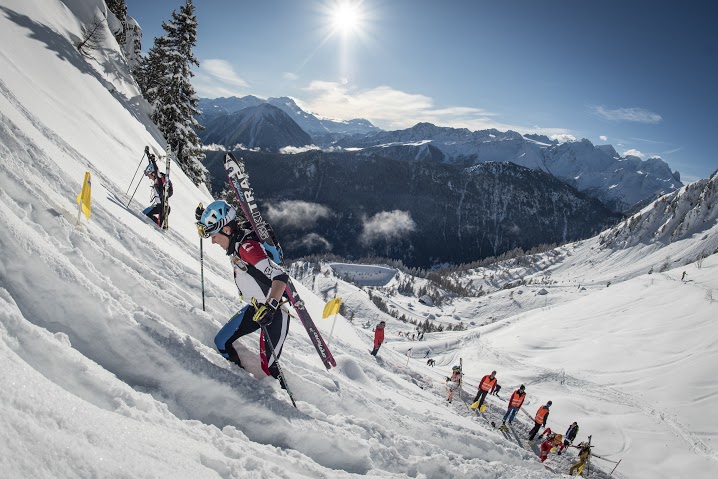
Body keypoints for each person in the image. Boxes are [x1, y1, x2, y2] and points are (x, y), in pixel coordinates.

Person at [196, 200, 290, 388]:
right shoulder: (237, 244)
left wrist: (270, 307)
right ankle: (240, 385)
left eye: (214, 236)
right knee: (221, 341)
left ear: (227, 230)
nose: (213, 241)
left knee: (270, 367)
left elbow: (280, 276)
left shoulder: (247, 248)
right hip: (255, 308)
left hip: (274, 312)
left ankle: (286, 408)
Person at [142, 147, 172, 227]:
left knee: (157, 225)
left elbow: (156, 169)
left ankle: (157, 229)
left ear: (153, 173)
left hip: (162, 208)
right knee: (145, 213)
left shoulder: (159, 178)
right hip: (159, 206)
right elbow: (151, 165)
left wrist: (153, 161)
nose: (148, 177)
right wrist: (148, 154)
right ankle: (155, 224)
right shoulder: (156, 178)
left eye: (149, 175)